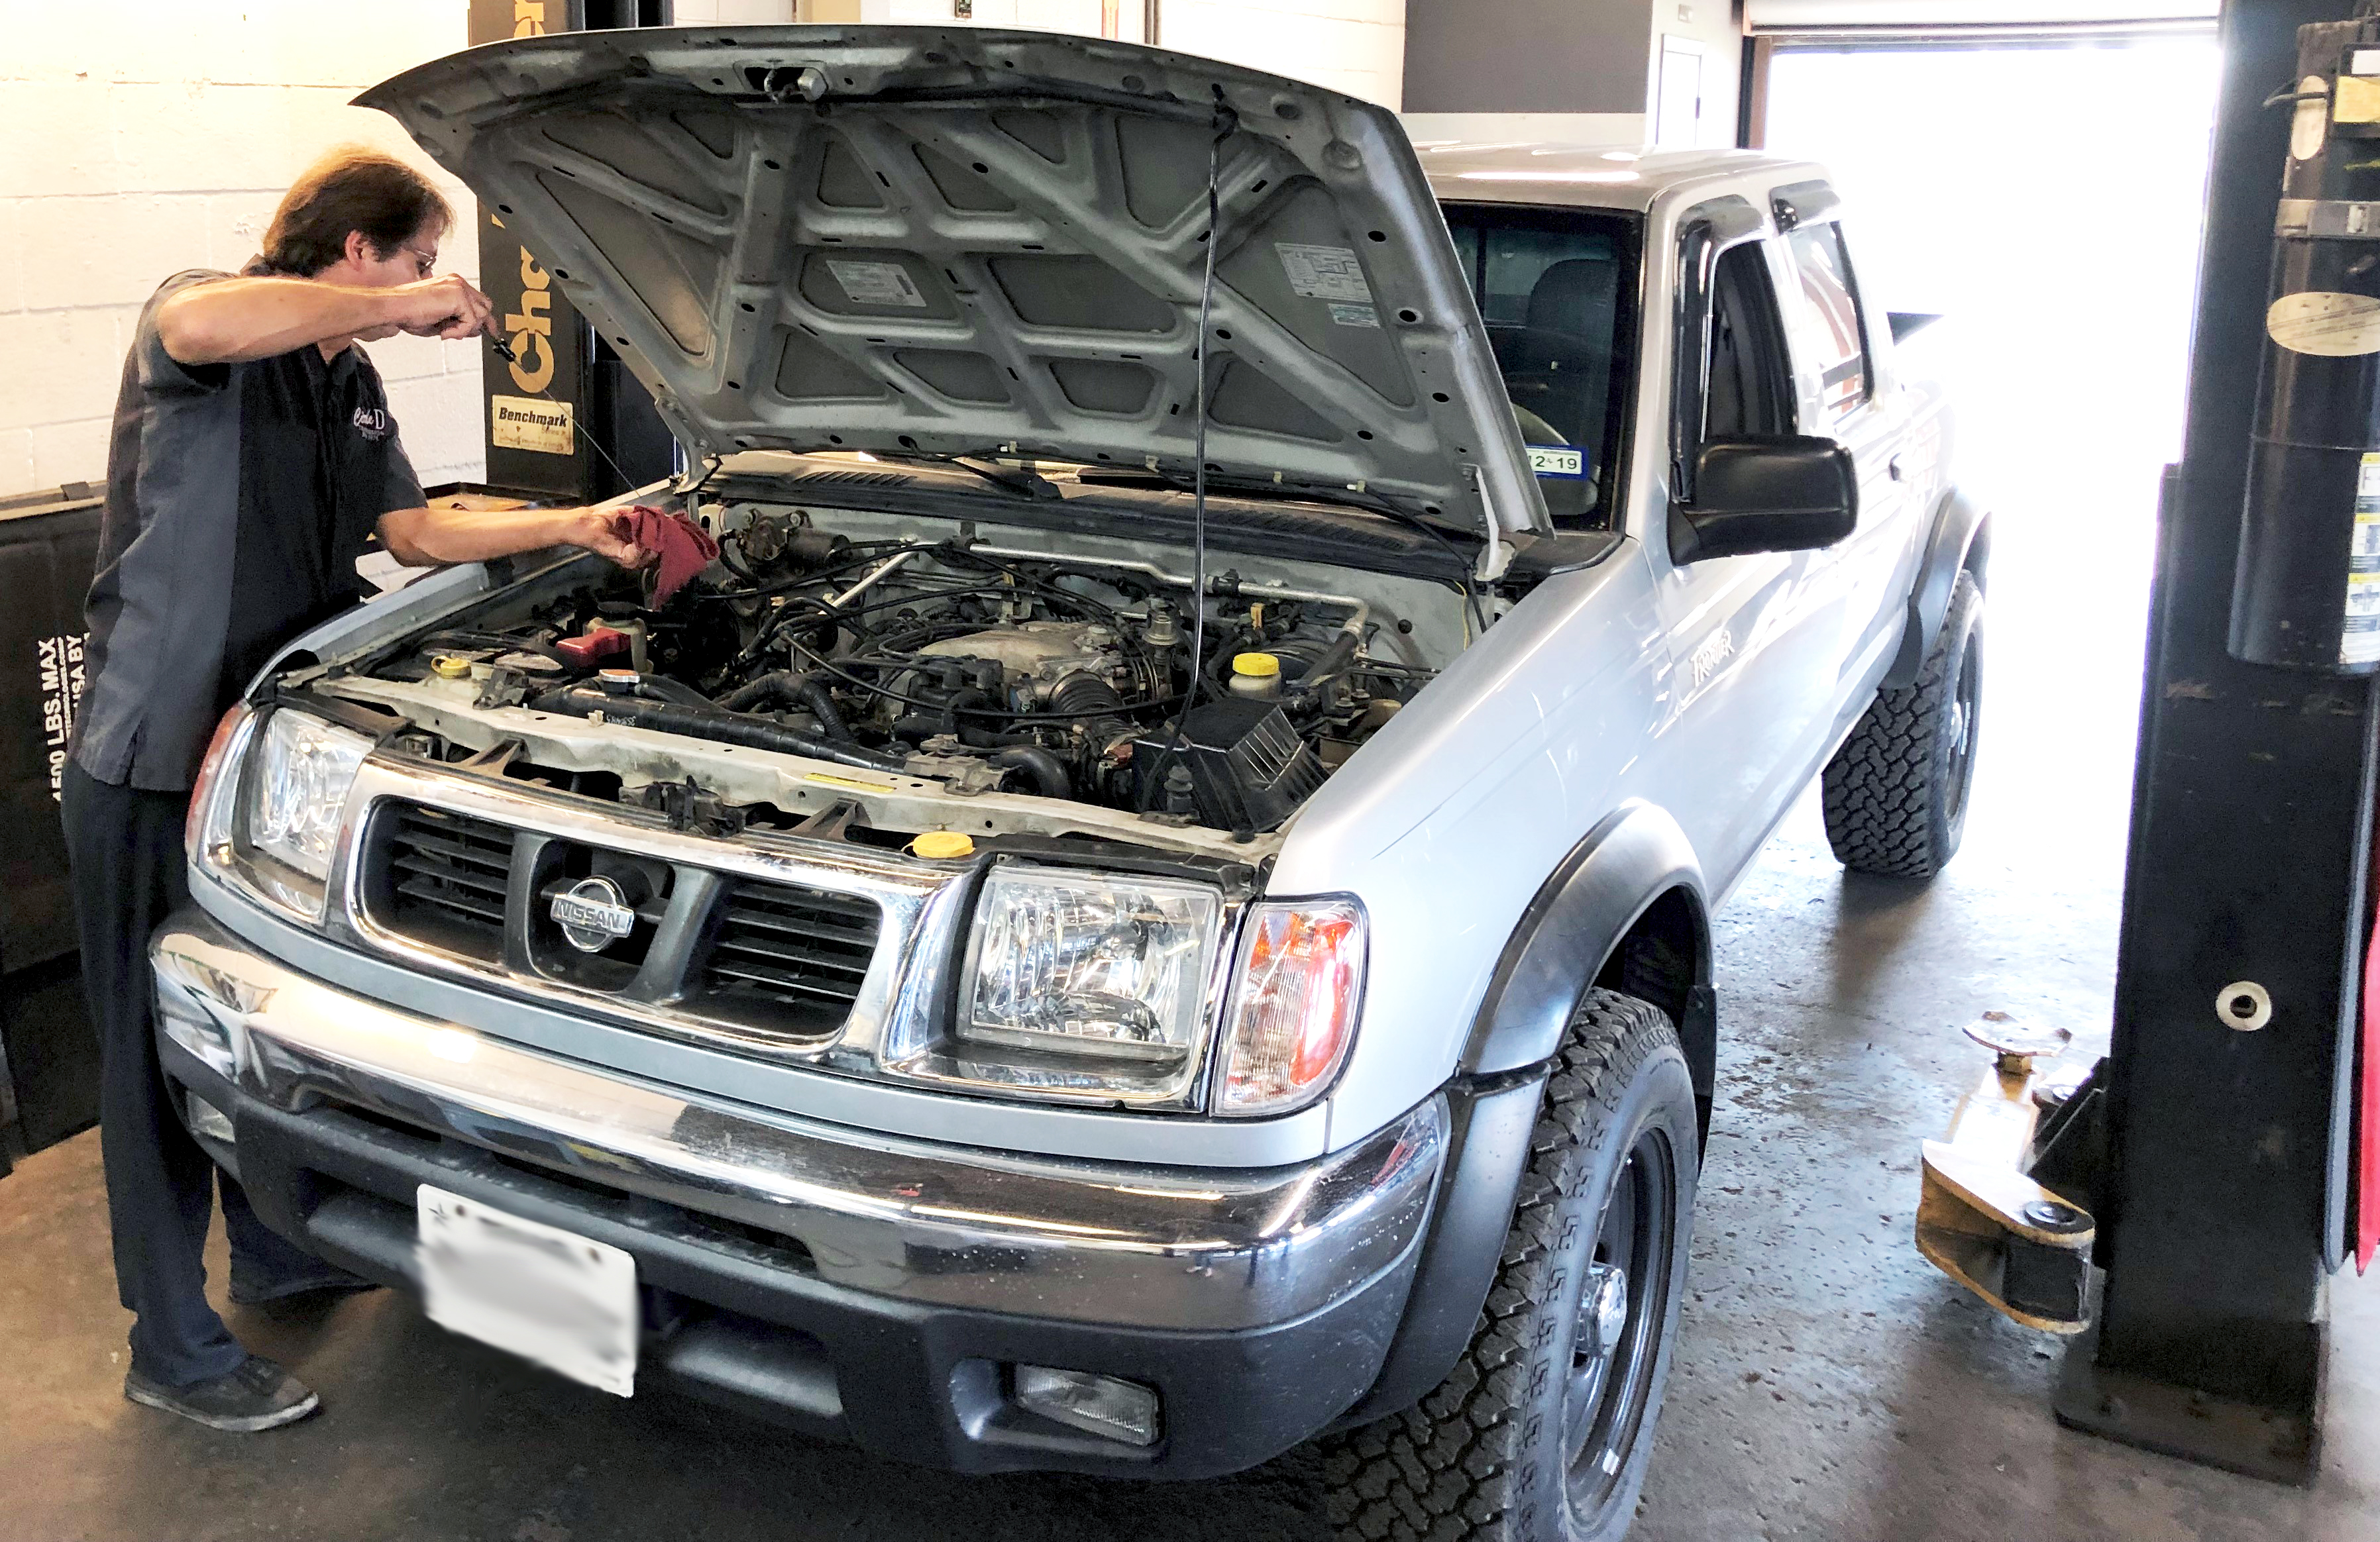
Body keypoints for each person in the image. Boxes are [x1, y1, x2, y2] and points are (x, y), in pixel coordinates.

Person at [61, 146, 651, 1433]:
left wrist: (569, 527)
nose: (435, 286)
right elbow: (205, 317)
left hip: (272, 777)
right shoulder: (212, 324)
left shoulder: (349, 381)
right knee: (151, 1055)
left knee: (254, 1032)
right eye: (421, 258)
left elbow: (415, 534)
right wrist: (397, 306)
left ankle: (272, 1257)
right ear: (355, 251)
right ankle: (170, 1342)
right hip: (152, 760)